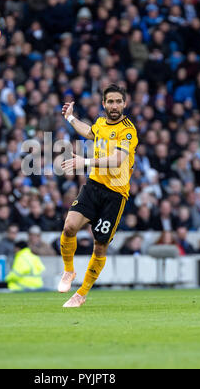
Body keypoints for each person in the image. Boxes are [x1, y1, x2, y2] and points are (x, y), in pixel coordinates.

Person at [58, 84, 138, 307]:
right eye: (110, 102)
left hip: (115, 195)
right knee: (69, 227)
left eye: (118, 101)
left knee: (99, 246)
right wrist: (71, 118)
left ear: (124, 103)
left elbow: (117, 160)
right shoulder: (101, 123)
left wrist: (84, 162)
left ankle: (81, 293)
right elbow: (89, 132)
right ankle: (68, 271)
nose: (114, 106)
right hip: (93, 186)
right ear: (103, 104)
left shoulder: (128, 130)